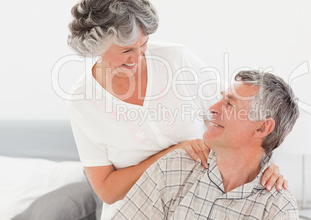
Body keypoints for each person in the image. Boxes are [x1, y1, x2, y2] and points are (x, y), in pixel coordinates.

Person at [16, 0, 285, 220]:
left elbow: (238, 119)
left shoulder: (176, 59)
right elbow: (107, 190)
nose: (137, 58)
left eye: (143, 44)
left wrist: (265, 164)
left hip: (199, 205)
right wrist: (174, 153)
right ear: (96, 47)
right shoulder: (82, 100)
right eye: (126, 50)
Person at [111, 70, 300, 220]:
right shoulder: (174, 168)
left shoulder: (278, 209)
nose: (212, 108)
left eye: (229, 104)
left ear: (262, 128)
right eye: (221, 99)